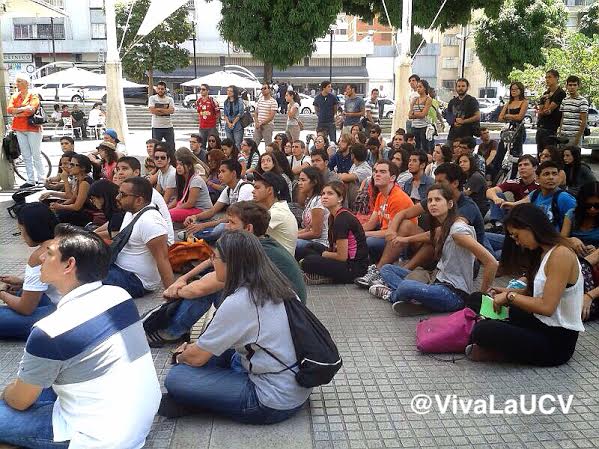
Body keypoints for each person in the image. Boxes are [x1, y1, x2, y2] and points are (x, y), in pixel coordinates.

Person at [0, 224, 160, 448]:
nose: (41, 257)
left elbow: (18, 401)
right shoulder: (120, 296)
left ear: (69, 264)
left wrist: (7, 393)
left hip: (94, 437)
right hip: (136, 422)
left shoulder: (50, 330)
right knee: (37, 383)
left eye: (50, 253)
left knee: (12, 401)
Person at [159, 230, 311, 424]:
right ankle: (208, 393)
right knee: (217, 354)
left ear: (233, 264)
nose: (212, 261)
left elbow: (196, 358)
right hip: (296, 385)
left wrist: (180, 355)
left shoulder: (241, 301)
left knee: (177, 377)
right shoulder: (279, 285)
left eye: (215, 257)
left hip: (271, 401)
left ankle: (203, 399)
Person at [152, 201, 307, 348]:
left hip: (282, 321)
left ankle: (171, 332)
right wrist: (183, 279)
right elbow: (213, 259)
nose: (226, 227)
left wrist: (175, 291)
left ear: (248, 229)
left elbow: (202, 288)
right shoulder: (258, 242)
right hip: (277, 309)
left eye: (232, 223)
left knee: (209, 288)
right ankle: (181, 329)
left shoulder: (251, 254)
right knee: (208, 282)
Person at [468, 204, 584, 366]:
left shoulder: (561, 254)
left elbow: (546, 307)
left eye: (516, 236)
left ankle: (497, 344)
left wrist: (510, 297)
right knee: (476, 299)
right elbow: (536, 292)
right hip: (539, 323)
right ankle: (497, 334)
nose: (517, 242)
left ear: (530, 227)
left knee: (483, 331)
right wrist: (507, 291)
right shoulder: (542, 252)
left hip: (555, 342)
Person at [371, 184, 497, 315]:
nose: (432, 204)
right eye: (430, 200)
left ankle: (393, 295)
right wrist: (403, 239)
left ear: (450, 204)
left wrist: (482, 299)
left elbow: (491, 263)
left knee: (406, 286)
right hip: (436, 282)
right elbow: (428, 235)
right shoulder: (446, 226)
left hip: (453, 294)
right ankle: (420, 301)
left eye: (438, 200)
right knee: (387, 269)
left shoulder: (458, 231)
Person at [361, 163, 488, 287]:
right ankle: (380, 270)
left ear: (455, 184)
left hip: (463, 263)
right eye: (435, 181)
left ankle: (402, 272)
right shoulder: (436, 198)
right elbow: (403, 213)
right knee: (406, 225)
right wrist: (392, 230)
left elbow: (444, 232)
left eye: (441, 182)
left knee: (434, 238)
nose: (436, 186)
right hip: (440, 252)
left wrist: (405, 239)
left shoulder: (467, 207)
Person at [104, 176, 174, 298]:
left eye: (122, 195)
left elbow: (162, 259)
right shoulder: (131, 212)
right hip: (118, 268)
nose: (117, 197)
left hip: (136, 280)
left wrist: (172, 295)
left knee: (83, 280)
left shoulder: (150, 222)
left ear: (139, 200)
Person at [0, 203, 59, 340]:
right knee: (21, 292)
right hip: (77, 305)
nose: (21, 236)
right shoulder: (66, 239)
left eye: (21, 230)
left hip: (61, 314)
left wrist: (1, 293)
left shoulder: (39, 256)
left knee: (16, 305)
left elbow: (26, 308)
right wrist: (23, 283)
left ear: (31, 229)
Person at [301, 181, 370, 284]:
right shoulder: (332, 216)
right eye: (323, 194)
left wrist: (324, 254)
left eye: (330, 193)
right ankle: (323, 273)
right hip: (341, 258)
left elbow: (342, 257)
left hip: (353, 267)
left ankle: (329, 277)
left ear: (340, 198)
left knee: (308, 262)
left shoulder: (342, 219)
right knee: (310, 247)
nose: (324, 197)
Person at [96, 156, 175, 244]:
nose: (120, 173)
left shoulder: (144, 192)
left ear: (136, 172)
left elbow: (154, 231)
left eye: (124, 169)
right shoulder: (129, 191)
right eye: (118, 169)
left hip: (161, 242)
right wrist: (96, 232)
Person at [358, 160, 414, 267]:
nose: (377, 174)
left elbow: (391, 232)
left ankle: (378, 268)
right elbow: (371, 224)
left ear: (392, 178)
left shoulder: (398, 198)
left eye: (383, 172)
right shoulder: (381, 195)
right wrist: (354, 229)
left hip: (401, 241)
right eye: (376, 171)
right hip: (385, 236)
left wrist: (363, 234)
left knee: (369, 241)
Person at [184, 159, 254, 240]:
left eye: (223, 172)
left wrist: (203, 226)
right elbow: (212, 211)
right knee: (201, 222)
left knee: (220, 227)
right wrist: (194, 217)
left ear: (233, 173)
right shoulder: (228, 189)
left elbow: (235, 217)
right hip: (233, 222)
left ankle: (196, 235)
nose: (219, 175)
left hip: (244, 225)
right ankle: (196, 233)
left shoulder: (245, 188)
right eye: (219, 172)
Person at [502, 161, 576, 233]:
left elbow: (579, 225)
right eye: (546, 174)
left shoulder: (564, 198)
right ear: (537, 178)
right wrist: (510, 205)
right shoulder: (536, 194)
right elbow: (524, 201)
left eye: (554, 174)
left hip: (554, 243)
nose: (551, 177)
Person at [7, 73, 44, 188]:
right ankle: (30, 179)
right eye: (16, 81)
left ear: (26, 83)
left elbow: (31, 110)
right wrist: (23, 109)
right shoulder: (15, 96)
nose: (16, 83)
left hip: (32, 128)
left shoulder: (33, 95)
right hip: (19, 128)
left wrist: (17, 111)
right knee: (26, 155)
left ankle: (41, 179)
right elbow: (9, 110)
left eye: (19, 81)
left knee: (36, 154)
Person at [486, 154, 539, 231]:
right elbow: (489, 191)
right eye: (520, 165)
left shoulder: (540, 184)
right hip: (515, 214)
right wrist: (496, 198)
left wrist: (513, 205)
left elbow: (530, 199)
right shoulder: (515, 182)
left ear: (535, 167)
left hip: (533, 217)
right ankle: (498, 226)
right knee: (497, 194)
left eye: (526, 164)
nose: (522, 167)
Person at [252, 171, 298, 254]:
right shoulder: (275, 208)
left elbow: (247, 232)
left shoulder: (277, 213)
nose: (253, 191)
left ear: (269, 190)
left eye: (257, 188)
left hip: (278, 264)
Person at [169, 149, 213, 223]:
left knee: (171, 214)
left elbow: (190, 203)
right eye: (177, 164)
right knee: (167, 212)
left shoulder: (196, 180)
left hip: (203, 210)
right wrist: (167, 208)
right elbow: (178, 199)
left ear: (189, 167)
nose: (178, 167)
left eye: (181, 164)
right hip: (192, 208)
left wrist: (175, 209)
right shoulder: (183, 179)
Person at [50, 153, 94, 226]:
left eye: (73, 165)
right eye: (70, 164)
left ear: (82, 168)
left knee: (61, 215)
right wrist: (59, 205)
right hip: (82, 210)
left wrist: (60, 207)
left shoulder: (84, 183)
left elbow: (77, 206)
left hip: (89, 213)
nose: (69, 167)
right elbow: (73, 198)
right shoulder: (78, 180)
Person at [495, 82, 528, 179]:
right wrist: (511, 117)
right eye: (511, 89)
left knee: (516, 154)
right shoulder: (508, 103)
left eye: (515, 89)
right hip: (507, 130)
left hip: (518, 131)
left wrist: (508, 116)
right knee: (501, 152)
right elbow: (500, 118)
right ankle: (496, 175)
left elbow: (520, 117)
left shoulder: (524, 102)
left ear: (520, 90)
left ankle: (514, 177)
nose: (513, 91)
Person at [295, 166, 329, 259]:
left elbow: (316, 233)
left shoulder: (318, 201)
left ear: (314, 182)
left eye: (303, 180)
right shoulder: (310, 200)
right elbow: (307, 229)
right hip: (312, 241)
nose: (299, 183)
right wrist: (291, 235)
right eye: (299, 180)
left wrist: (294, 237)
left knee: (294, 243)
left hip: (321, 244)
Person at [536, 69, 567, 156]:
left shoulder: (560, 93)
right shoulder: (546, 93)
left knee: (549, 154)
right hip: (540, 127)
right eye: (546, 77)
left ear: (556, 78)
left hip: (550, 128)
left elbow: (547, 111)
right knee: (540, 153)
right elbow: (540, 111)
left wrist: (548, 99)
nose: (547, 79)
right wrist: (542, 111)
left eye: (549, 77)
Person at [562, 181, 599, 254]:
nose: (592, 209)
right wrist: (571, 240)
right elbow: (561, 240)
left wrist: (596, 250)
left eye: (597, 206)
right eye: (588, 206)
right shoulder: (572, 215)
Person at [445, 78, 480, 146]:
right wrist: (453, 122)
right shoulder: (452, 101)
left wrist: (463, 121)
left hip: (466, 136)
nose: (460, 88)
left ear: (467, 87)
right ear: (456, 87)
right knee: (447, 153)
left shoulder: (472, 100)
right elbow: (448, 116)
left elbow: (477, 116)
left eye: (463, 86)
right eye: (459, 86)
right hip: (452, 136)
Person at [559, 75, 588, 147]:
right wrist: (559, 133)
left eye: (574, 85)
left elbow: (584, 121)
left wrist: (577, 138)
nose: (572, 87)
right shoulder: (565, 100)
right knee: (562, 157)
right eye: (570, 85)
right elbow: (563, 118)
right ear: (567, 86)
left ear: (578, 86)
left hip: (574, 136)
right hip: (563, 136)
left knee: (574, 157)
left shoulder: (583, 101)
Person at [148, 81, 175, 150]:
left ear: (165, 89)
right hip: (156, 126)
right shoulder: (152, 98)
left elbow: (171, 111)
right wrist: (166, 110)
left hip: (168, 126)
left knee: (171, 147)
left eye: (162, 89)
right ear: (156, 89)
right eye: (159, 88)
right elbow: (152, 111)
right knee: (156, 147)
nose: (160, 90)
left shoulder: (170, 99)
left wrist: (158, 109)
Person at [408, 79, 433, 153]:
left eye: (420, 87)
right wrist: (417, 114)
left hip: (423, 127)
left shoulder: (428, 99)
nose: (418, 89)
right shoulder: (415, 99)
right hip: (415, 126)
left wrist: (414, 114)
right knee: (416, 147)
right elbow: (409, 115)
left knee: (425, 147)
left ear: (425, 88)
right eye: (417, 87)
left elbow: (423, 114)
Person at [196, 83, 220, 150]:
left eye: (203, 89)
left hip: (211, 127)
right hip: (202, 127)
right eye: (200, 89)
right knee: (201, 145)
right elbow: (199, 112)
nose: (201, 91)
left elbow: (218, 113)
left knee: (213, 145)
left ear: (208, 91)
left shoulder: (212, 100)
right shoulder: (198, 101)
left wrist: (214, 122)